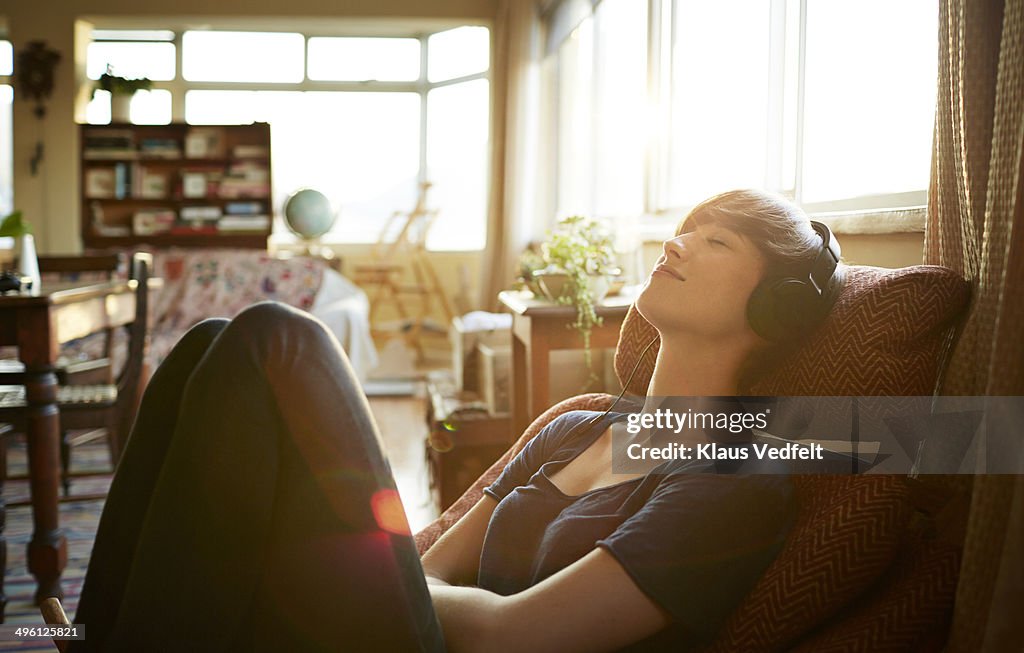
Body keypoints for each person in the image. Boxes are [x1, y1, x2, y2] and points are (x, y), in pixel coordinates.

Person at [73, 189, 843, 652]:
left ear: (772, 308)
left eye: (717, 240)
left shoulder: (734, 480)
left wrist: (334, 572)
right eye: (686, 224)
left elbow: (517, 637)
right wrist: (356, 573)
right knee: (209, 345)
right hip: (410, 633)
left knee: (281, 337)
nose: (677, 240)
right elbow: (428, 565)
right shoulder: (575, 427)